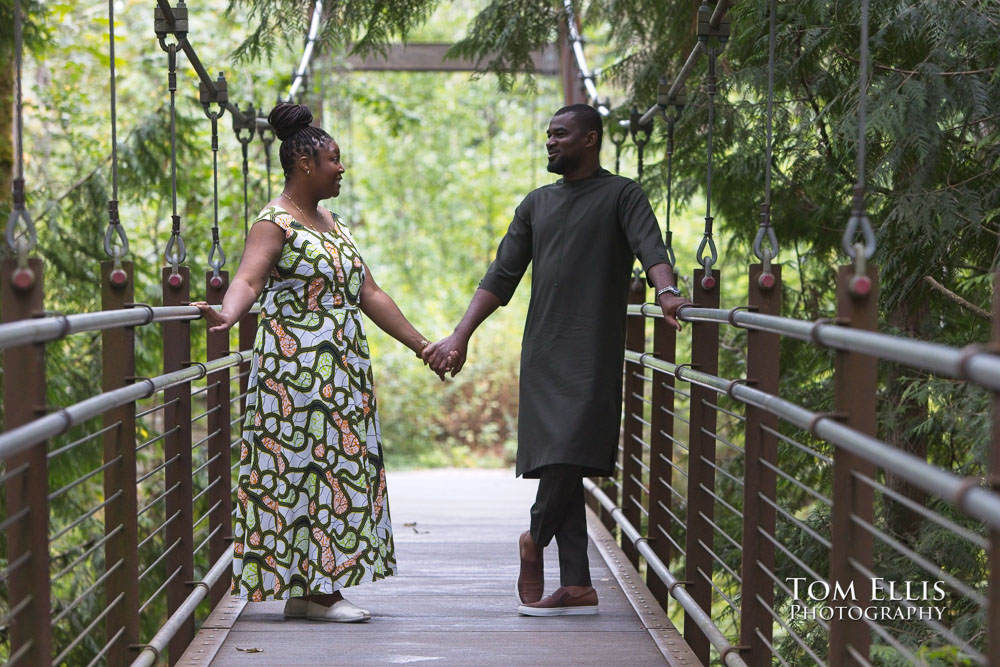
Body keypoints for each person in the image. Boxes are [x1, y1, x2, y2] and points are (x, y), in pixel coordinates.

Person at [422, 104, 691, 616]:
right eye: (547, 135)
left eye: (560, 135)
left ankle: (533, 536)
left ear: (590, 139)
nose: (550, 142)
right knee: (557, 459)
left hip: (593, 348)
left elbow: (650, 248)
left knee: (568, 450)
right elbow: (501, 276)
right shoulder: (536, 204)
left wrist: (668, 292)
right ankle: (577, 584)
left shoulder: (622, 195)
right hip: (543, 348)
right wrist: (460, 336)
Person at [194, 103, 447, 622]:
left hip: (343, 371)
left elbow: (369, 293)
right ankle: (318, 592)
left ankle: (307, 592)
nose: (341, 168)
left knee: (339, 467)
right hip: (295, 372)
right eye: (334, 159)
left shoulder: (335, 223)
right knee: (302, 470)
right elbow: (248, 279)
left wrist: (421, 345)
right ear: (305, 163)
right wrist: (227, 313)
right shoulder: (275, 221)